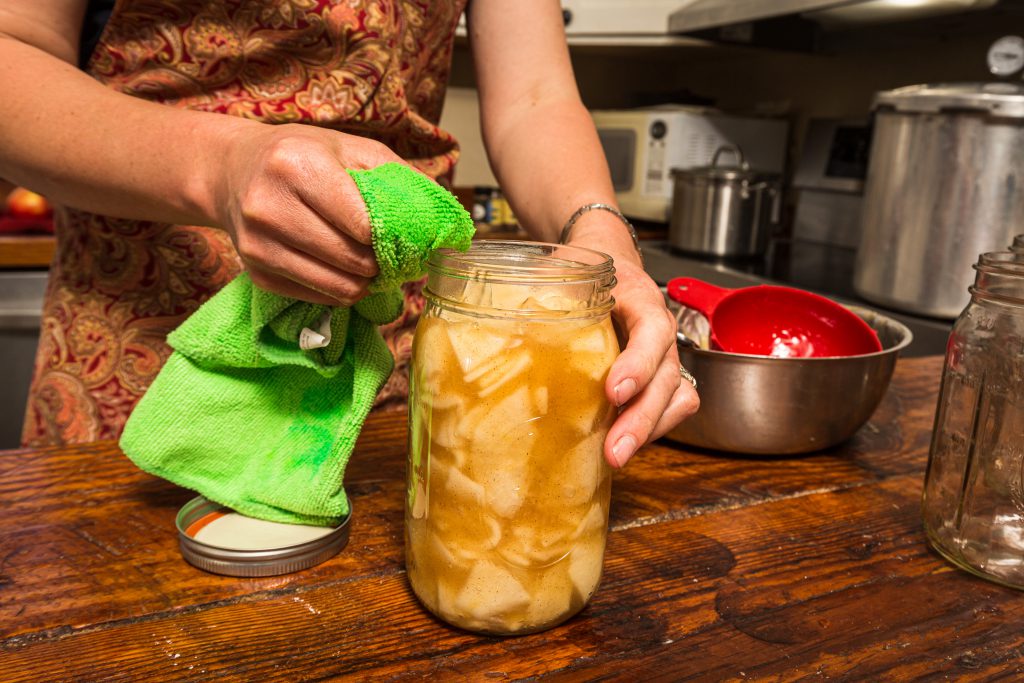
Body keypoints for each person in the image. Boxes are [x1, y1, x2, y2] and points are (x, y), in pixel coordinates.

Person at [0, 0, 698, 467]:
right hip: (139, 364)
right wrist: (218, 167)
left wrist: (603, 243)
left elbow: (534, 99)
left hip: (402, 379)